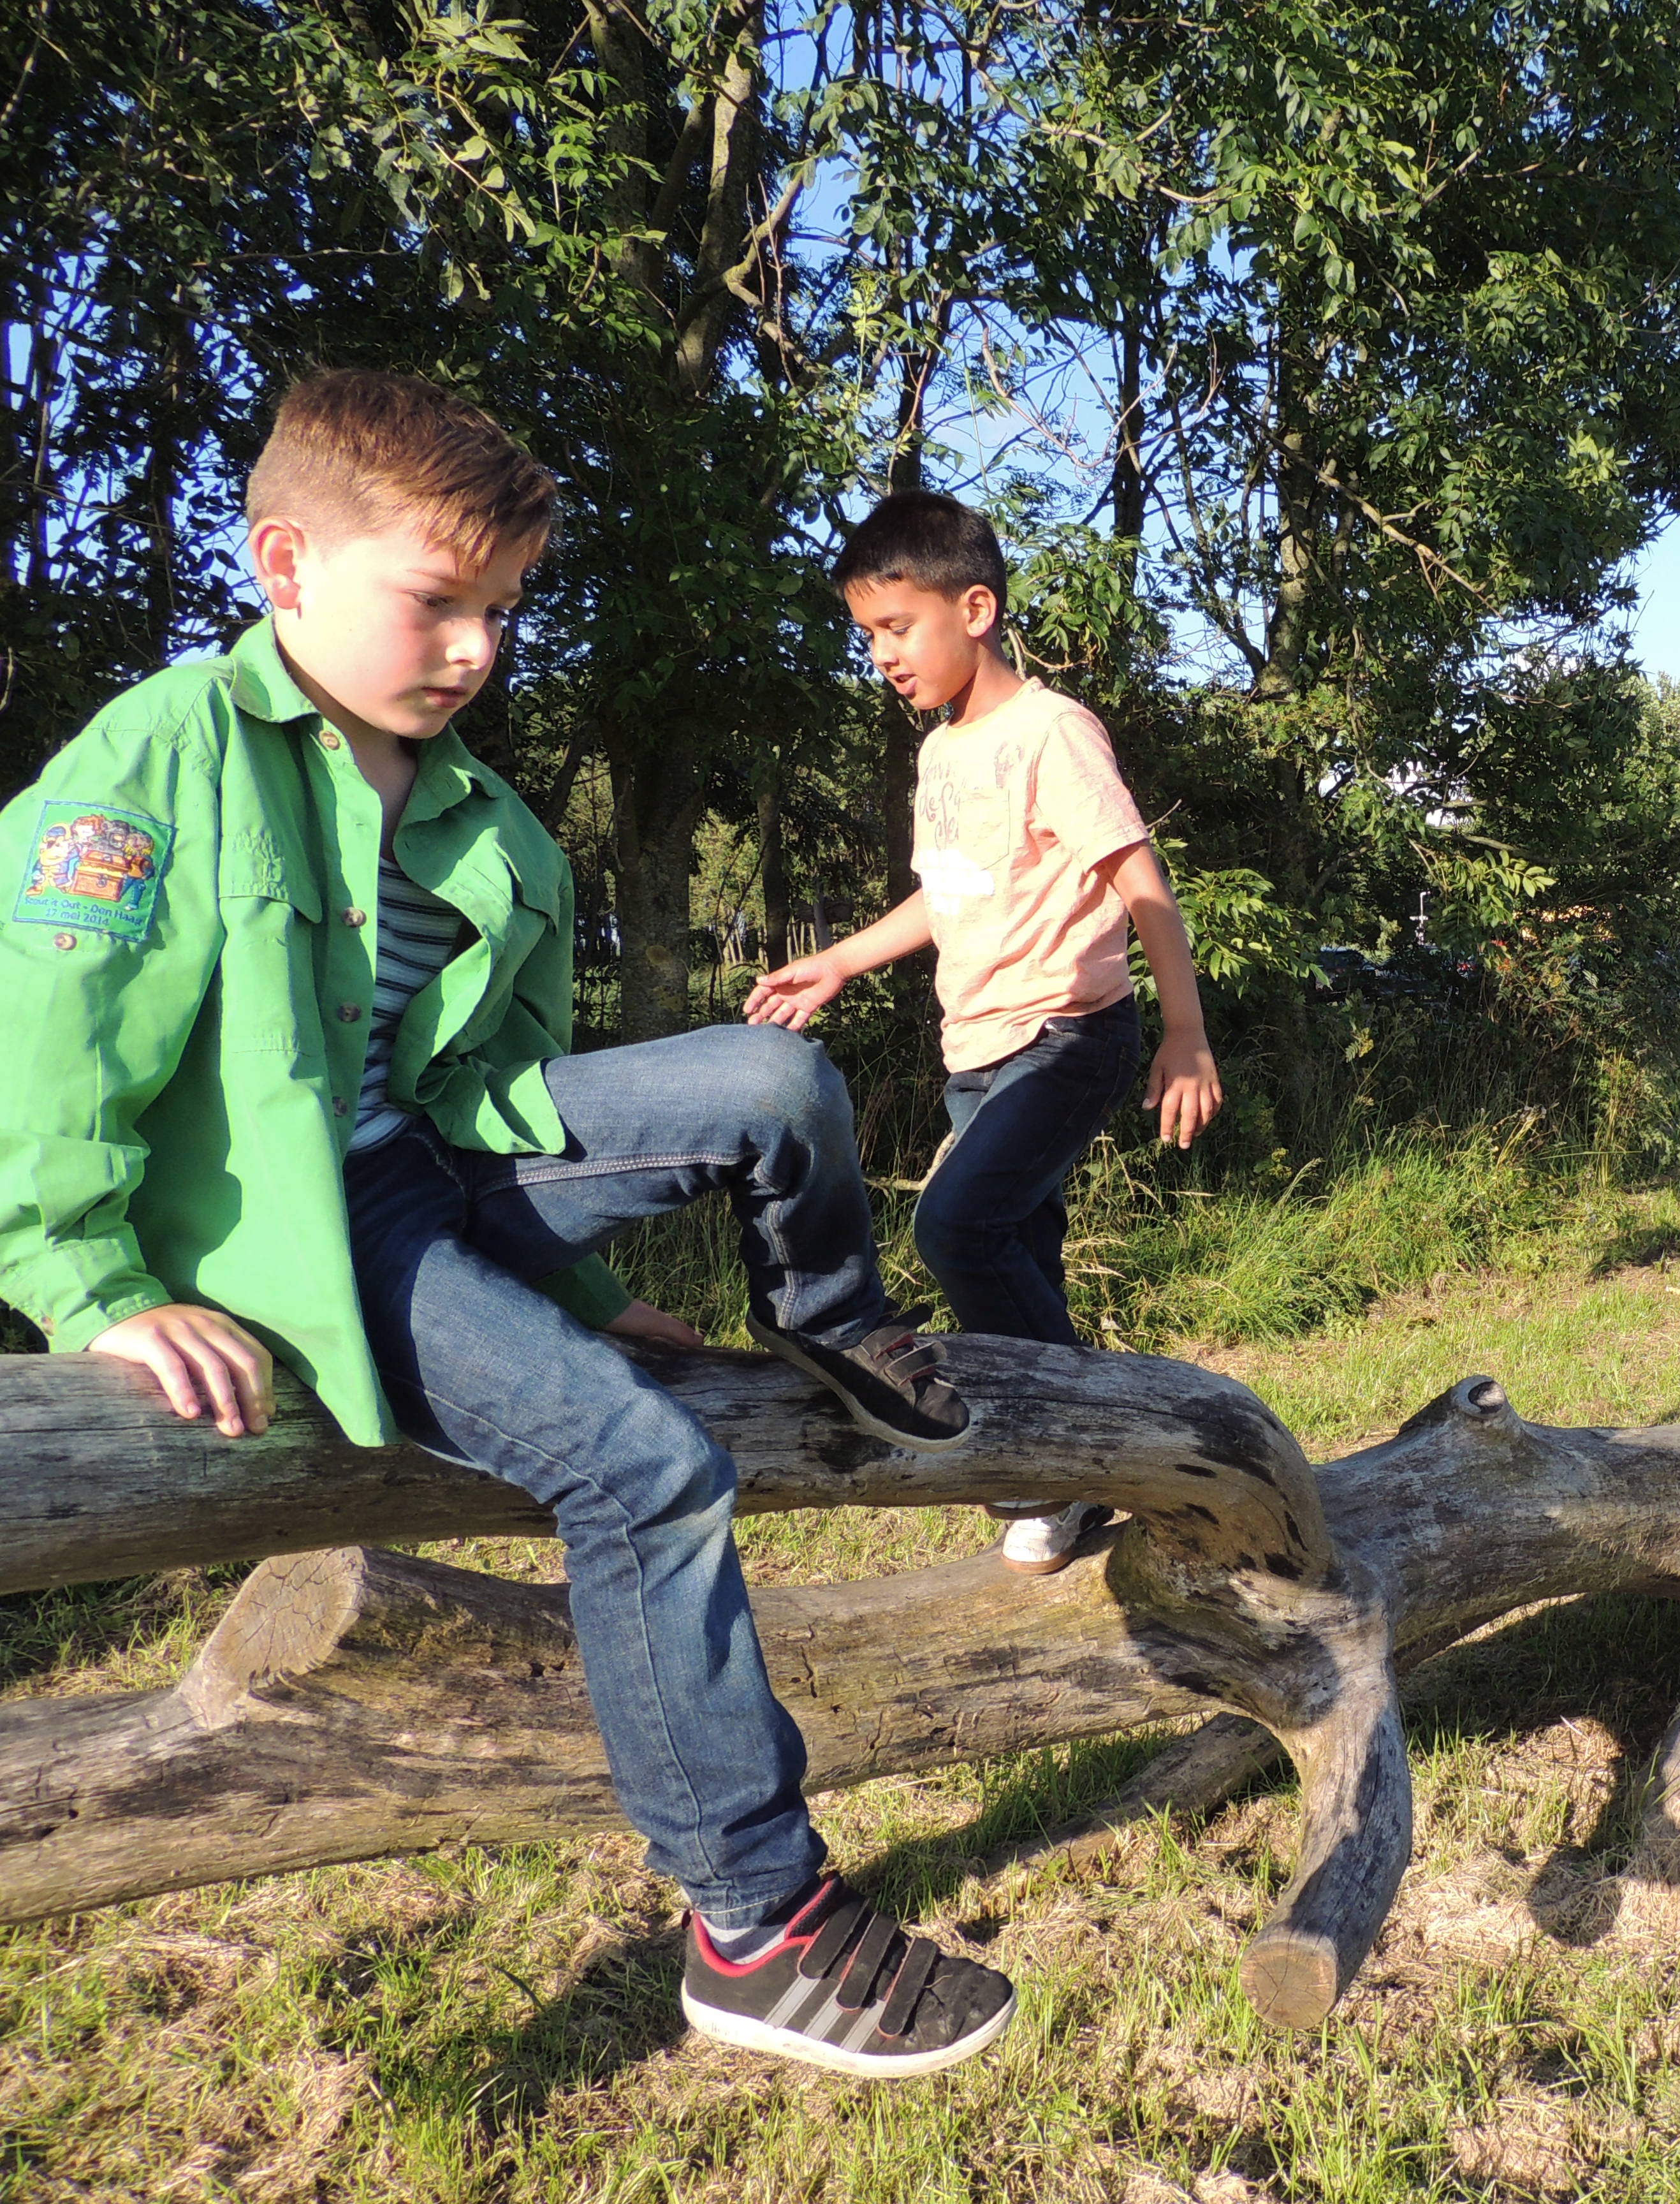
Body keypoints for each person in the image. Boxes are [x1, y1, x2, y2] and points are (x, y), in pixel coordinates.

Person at [0, 370, 1015, 2078]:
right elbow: (55, 1033)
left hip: (434, 1170)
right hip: (304, 1222)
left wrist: (577, 1283)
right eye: (437, 600)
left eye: (503, 611)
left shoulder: (495, 829)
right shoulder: (167, 750)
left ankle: (831, 1318)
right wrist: (85, 1276)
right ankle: (757, 1927)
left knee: (775, 1080)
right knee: (641, 1468)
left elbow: (494, 1093)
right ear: (284, 565)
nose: (475, 647)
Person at [745, 490, 1222, 1575]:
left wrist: (1184, 1034)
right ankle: (1069, 1485)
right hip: (977, 1052)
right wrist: (839, 959)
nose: (880, 655)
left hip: (1068, 1034)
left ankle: (1082, 1446)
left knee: (956, 1230)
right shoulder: (944, 756)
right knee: (1019, 1264)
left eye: (895, 628)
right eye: (866, 634)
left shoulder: (1048, 731)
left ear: (974, 608)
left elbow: (1138, 879)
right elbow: (945, 898)